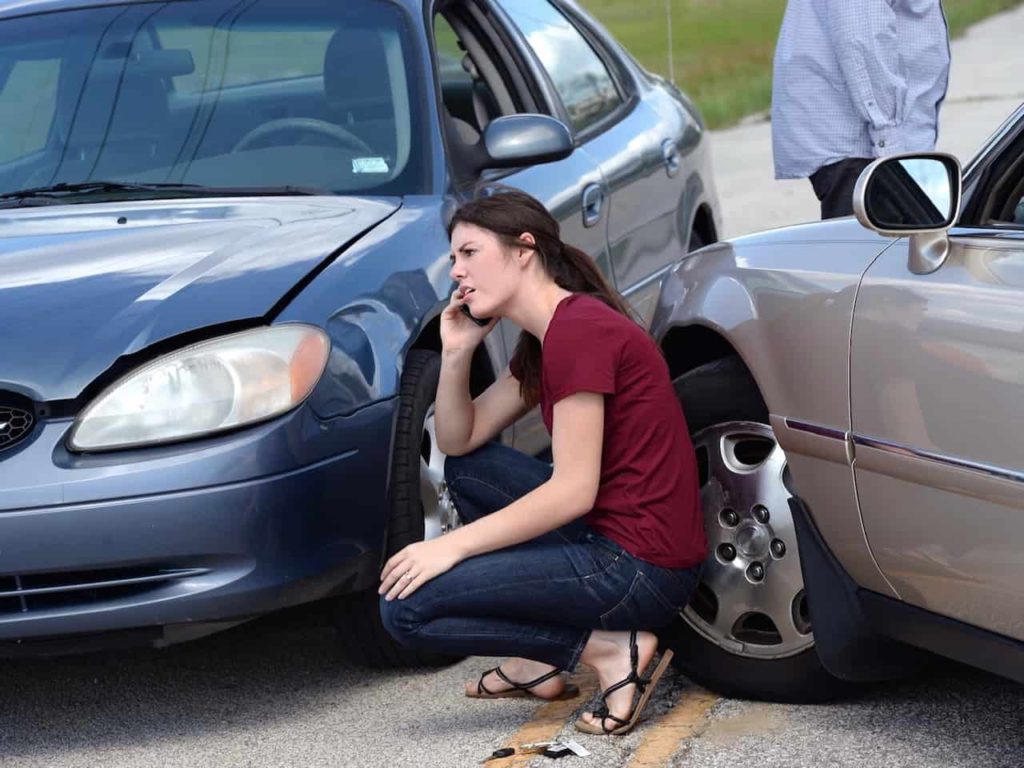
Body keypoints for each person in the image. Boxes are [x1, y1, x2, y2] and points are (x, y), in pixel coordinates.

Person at [378, 190, 706, 736]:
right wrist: (457, 353)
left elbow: (572, 492)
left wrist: (447, 546)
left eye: (469, 253)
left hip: (640, 568)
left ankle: (607, 650)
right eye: (454, 258)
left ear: (523, 249)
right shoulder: (549, 333)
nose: (456, 272)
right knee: (469, 470)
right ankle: (537, 663)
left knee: (406, 609)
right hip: (616, 538)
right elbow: (460, 442)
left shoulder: (578, 333)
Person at [771, 0, 950, 219]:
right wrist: (890, 147)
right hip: (869, 148)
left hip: (879, 144)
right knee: (876, 250)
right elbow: (860, 37)